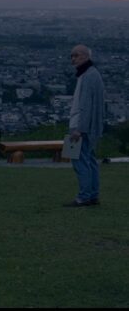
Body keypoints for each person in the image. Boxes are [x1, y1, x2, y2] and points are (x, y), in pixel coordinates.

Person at [63, 44, 105, 207]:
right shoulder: (92, 74)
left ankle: (84, 196)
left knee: (80, 161)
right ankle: (93, 195)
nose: (73, 59)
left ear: (86, 56)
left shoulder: (88, 76)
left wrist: (79, 129)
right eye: (71, 56)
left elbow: (85, 105)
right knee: (90, 160)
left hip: (81, 126)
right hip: (90, 126)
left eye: (76, 55)